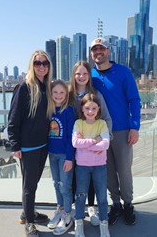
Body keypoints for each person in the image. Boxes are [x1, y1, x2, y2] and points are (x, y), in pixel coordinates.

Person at [90, 38, 141, 226]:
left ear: (108, 51)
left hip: (122, 131)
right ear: (91, 53)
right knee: (108, 171)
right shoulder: (90, 74)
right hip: (100, 132)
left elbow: (134, 100)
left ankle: (128, 204)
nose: (98, 52)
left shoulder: (123, 72)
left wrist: (134, 126)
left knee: (124, 171)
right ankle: (116, 204)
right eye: (95, 49)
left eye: (101, 49)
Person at [8, 50, 53, 237]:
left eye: (45, 63)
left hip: (43, 145)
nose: (41, 66)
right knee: (29, 186)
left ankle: (27, 212)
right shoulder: (24, 87)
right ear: (31, 66)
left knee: (33, 183)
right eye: (37, 63)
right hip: (28, 146)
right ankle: (30, 223)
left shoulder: (47, 87)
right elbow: (13, 118)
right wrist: (15, 145)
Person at [69, 60, 112, 226]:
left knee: (93, 177)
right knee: (75, 177)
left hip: (91, 146)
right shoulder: (69, 94)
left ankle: (92, 206)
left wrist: (104, 140)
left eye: (85, 73)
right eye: (78, 73)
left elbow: (106, 118)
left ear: (90, 75)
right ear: (73, 75)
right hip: (72, 141)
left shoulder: (96, 95)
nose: (81, 76)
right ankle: (74, 208)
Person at [72, 93, 110, 237]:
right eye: (87, 108)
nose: (90, 111)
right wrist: (95, 141)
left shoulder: (102, 124)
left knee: (102, 196)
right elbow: (75, 143)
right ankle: (79, 223)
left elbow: (105, 144)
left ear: (98, 109)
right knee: (80, 195)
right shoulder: (78, 124)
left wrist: (85, 145)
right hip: (82, 166)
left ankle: (104, 224)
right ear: (82, 108)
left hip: (100, 166)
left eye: (94, 108)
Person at [47, 79, 75, 235]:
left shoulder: (68, 111)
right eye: (55, 92)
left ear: (66, 94)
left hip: (65, 155)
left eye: (62, 92)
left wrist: (70, 158)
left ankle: (67, 214)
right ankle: (59, 209)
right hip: (52, 154)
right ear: (51, 93)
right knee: (56, 184)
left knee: (65, 186)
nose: (58, 95)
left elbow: (71, 135)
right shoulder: (49, 110)